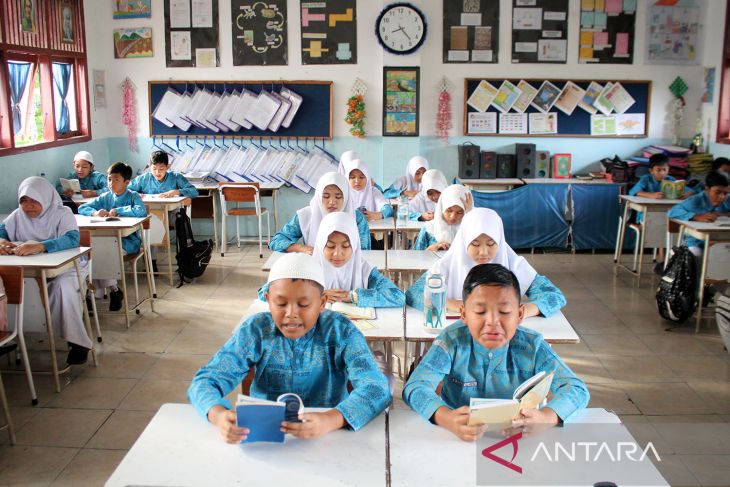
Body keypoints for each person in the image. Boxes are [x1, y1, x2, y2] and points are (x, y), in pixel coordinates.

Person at [188, 252, 392, 443]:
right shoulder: (256, 331)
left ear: (322, 303)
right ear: (268, 300)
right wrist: (218, 415)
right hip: (263, 439)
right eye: (281, 303)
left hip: (329, 438)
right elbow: (205, 381)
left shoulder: (341, 331)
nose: (291, 313)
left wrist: (330, 420)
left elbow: (377, 389)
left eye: (303, 305)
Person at [402, 263, 589, 441]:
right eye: (480, 311)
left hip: (517, 438)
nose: (492, 322)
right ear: (464, 314)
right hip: (458, 437)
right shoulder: (452, 341)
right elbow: (415, 387)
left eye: (505, 311)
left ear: (520, 314)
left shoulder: (533, 345)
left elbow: (576, 389)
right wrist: (448, 418)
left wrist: (545, 418)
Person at [406, 208, 566, 318]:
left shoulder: (513, 264)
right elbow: (414, 294)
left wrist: (526, 309)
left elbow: (554, 296)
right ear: (464, 241)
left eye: (491, 244)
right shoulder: (447, 265)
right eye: (475, 244)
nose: (483, 252)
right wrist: (450, 304)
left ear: (500, 241)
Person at [0, 177, 92, 364]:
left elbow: (73, 239)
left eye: (34, 201)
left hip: (68, 267)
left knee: (61, 287)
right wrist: (1, 242)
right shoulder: (18, 216)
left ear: (45, 198)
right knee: (8, 287)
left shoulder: (62, 213)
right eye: (24, 201)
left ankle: (77, 342)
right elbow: (1, 230)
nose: (28, 206)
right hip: (31, 270)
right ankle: (11, 334)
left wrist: (41, 246)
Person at [258, 212, 405, 308]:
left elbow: (398, 297)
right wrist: (313, 295)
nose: (337, 254)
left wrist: (353, 296)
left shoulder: (364, 269)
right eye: (330, 246)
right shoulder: (305, 266)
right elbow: (265, 293)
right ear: (320, 244)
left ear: (354, 247)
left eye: (346, 246)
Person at [78, 162, 146, 311]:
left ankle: (104, 292)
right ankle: (110, 290)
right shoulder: (106, 197)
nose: (111, 183)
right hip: (106, 240)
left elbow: (141, 211)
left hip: (128, 242)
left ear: (126, 182)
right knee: (92, 255)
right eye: (109, 179)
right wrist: (95, 213)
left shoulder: (133, 196)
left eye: (116, 179)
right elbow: (82, 207)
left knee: (105, 253)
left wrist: (119, 210)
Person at [269, 172, 371, 253]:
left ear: (346, 197)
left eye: (338, 197)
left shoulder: (357, 218)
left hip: (347, 270)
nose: (331, 202)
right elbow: (276, 241)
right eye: (326, 196)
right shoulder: (306, 215)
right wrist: (301, 248)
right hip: (313, 269)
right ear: (318, 196)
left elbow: (364, 251)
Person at [668, 170, 730, 256]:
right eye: (718, 192)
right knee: (696, 254)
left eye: (726, 193)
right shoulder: (695, 200)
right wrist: (696, 216)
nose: (722, 197)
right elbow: (672, 212)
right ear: (707, 189)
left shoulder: (728, 199)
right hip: (695, 241)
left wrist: (725, 215)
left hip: (721, 239)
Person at [414, 184, 472, 251]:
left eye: (459, 212)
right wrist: (429, 250)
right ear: (442, 207)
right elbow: (415, 257)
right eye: (449, 210)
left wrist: (469, 216)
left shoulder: (473, 230)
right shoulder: (428, 229)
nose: (453, 216)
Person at [129, 150, 198, 198]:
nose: (157, 172)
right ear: (149, 167)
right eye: (154, 169)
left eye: (161, 169)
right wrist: (136, 194)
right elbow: (126, 189)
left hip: (171, 211)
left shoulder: (175, 177)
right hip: (149, 210)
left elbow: (194, 191)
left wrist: (176, 192)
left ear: (167, 167)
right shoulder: (144, 178)